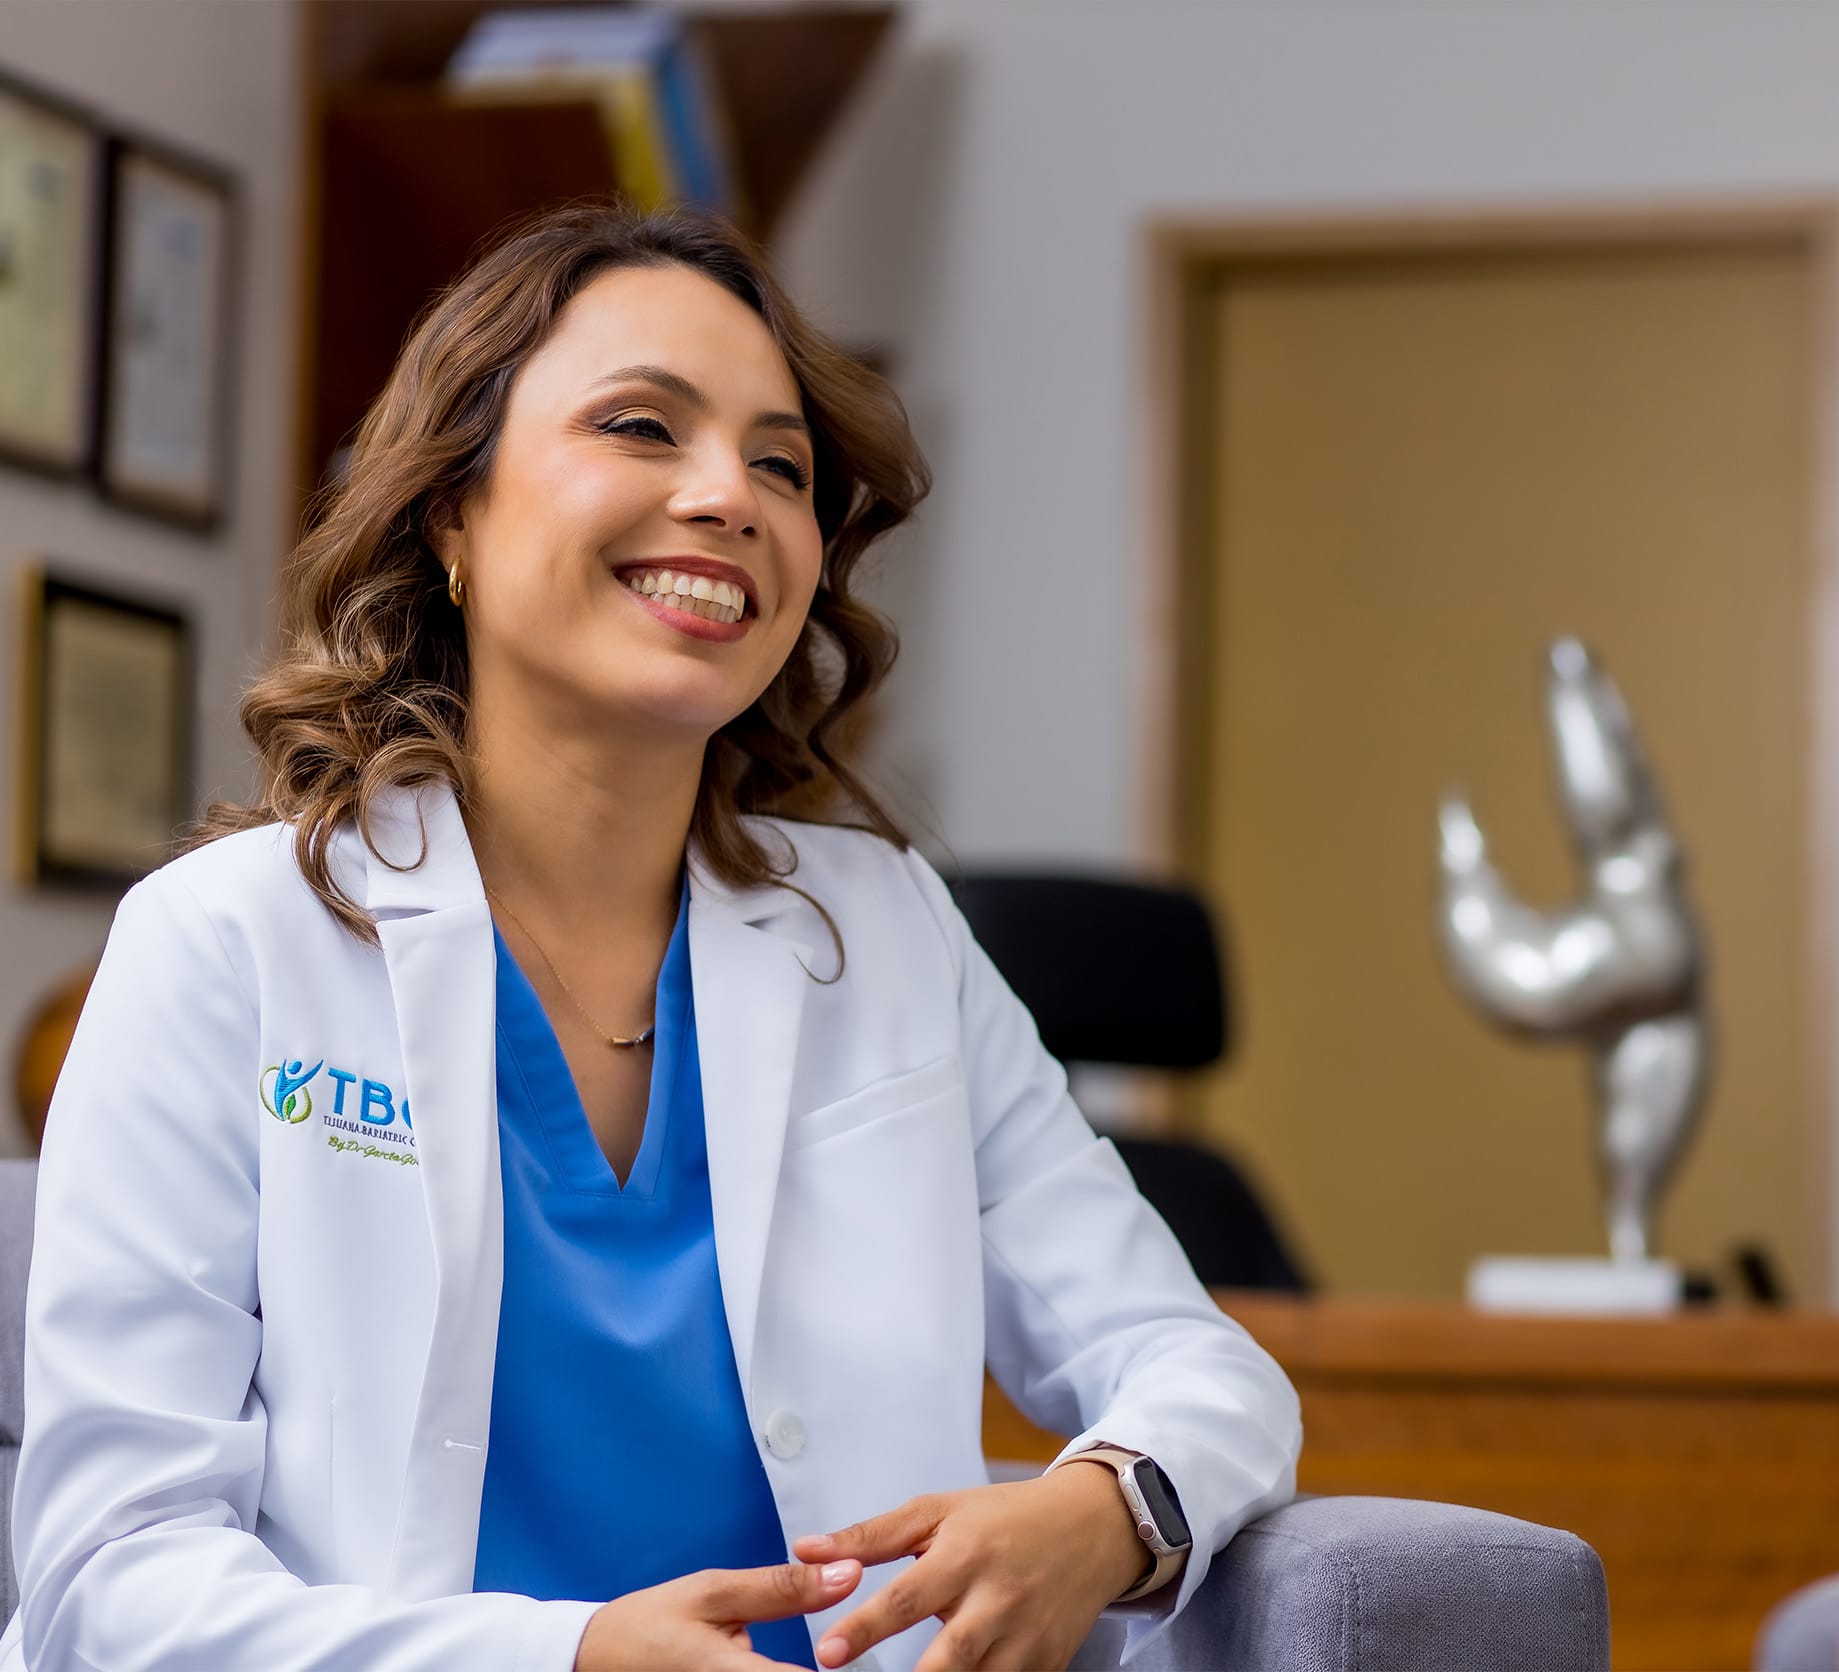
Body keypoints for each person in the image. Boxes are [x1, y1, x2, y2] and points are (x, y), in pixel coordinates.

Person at [0, 198, 1300, 1672]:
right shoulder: (227, 942)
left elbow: (1200, 1365)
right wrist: (568, 1659)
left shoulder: (886, 935)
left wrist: (1110, 1506)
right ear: (449, 511)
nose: (729, 495)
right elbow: (111, 1582)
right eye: (640, 426)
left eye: (781, 465)